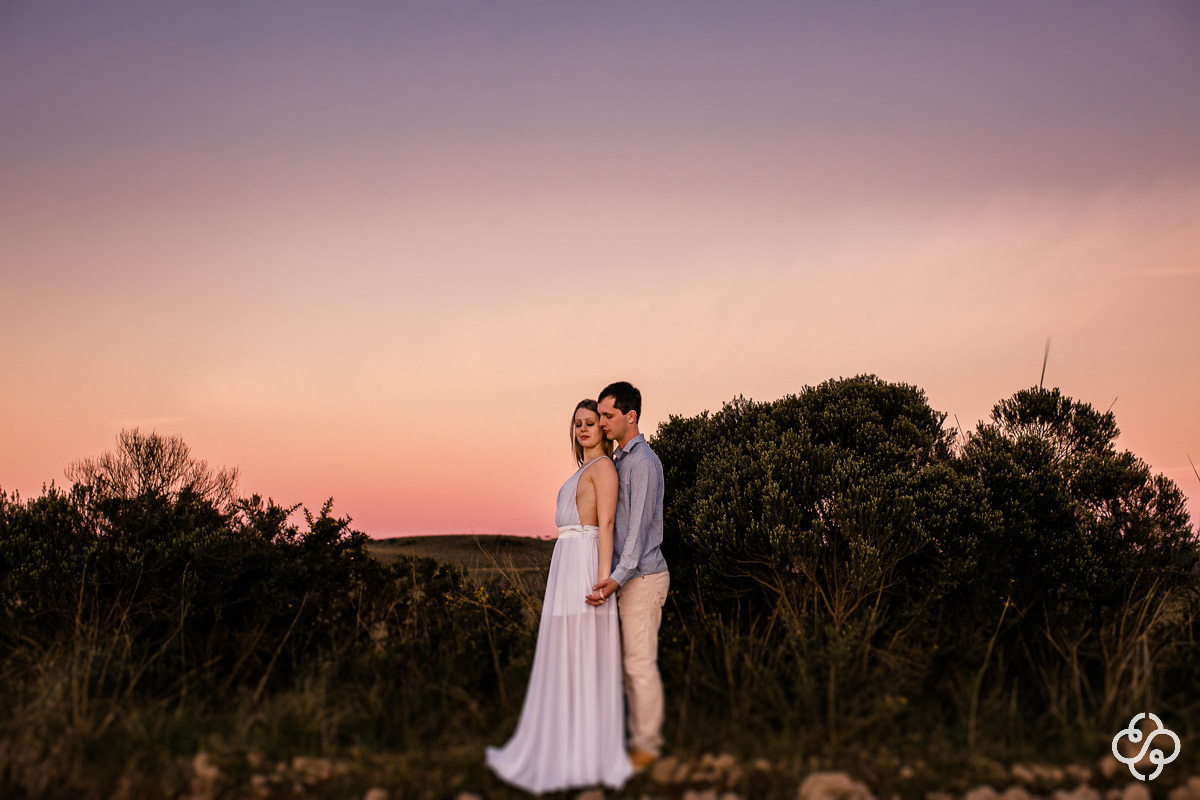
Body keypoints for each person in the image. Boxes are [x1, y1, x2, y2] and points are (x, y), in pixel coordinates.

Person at [485, 399, 633, 793]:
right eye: (578, 423)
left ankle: (585, 753)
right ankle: (564, 746)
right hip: (565, 560)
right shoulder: (583, 469)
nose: (584, 428)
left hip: (585, 562)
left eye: (591, 422)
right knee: (566, 651)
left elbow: (607, 525)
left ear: (603, 429)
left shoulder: (603, 468)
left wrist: (603, 580)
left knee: (583, 651)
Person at [588, 381, 670, 773]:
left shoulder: (642, 462)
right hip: (625, 577)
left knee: (639, 664)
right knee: (623, 665)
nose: (602, 422)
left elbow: (636, 535)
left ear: (630, 416)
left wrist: (616, 579)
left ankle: (647, 747)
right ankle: (622, 742)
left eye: (608, 415)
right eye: (600, 415)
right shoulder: (619, 460)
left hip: (642, 577)